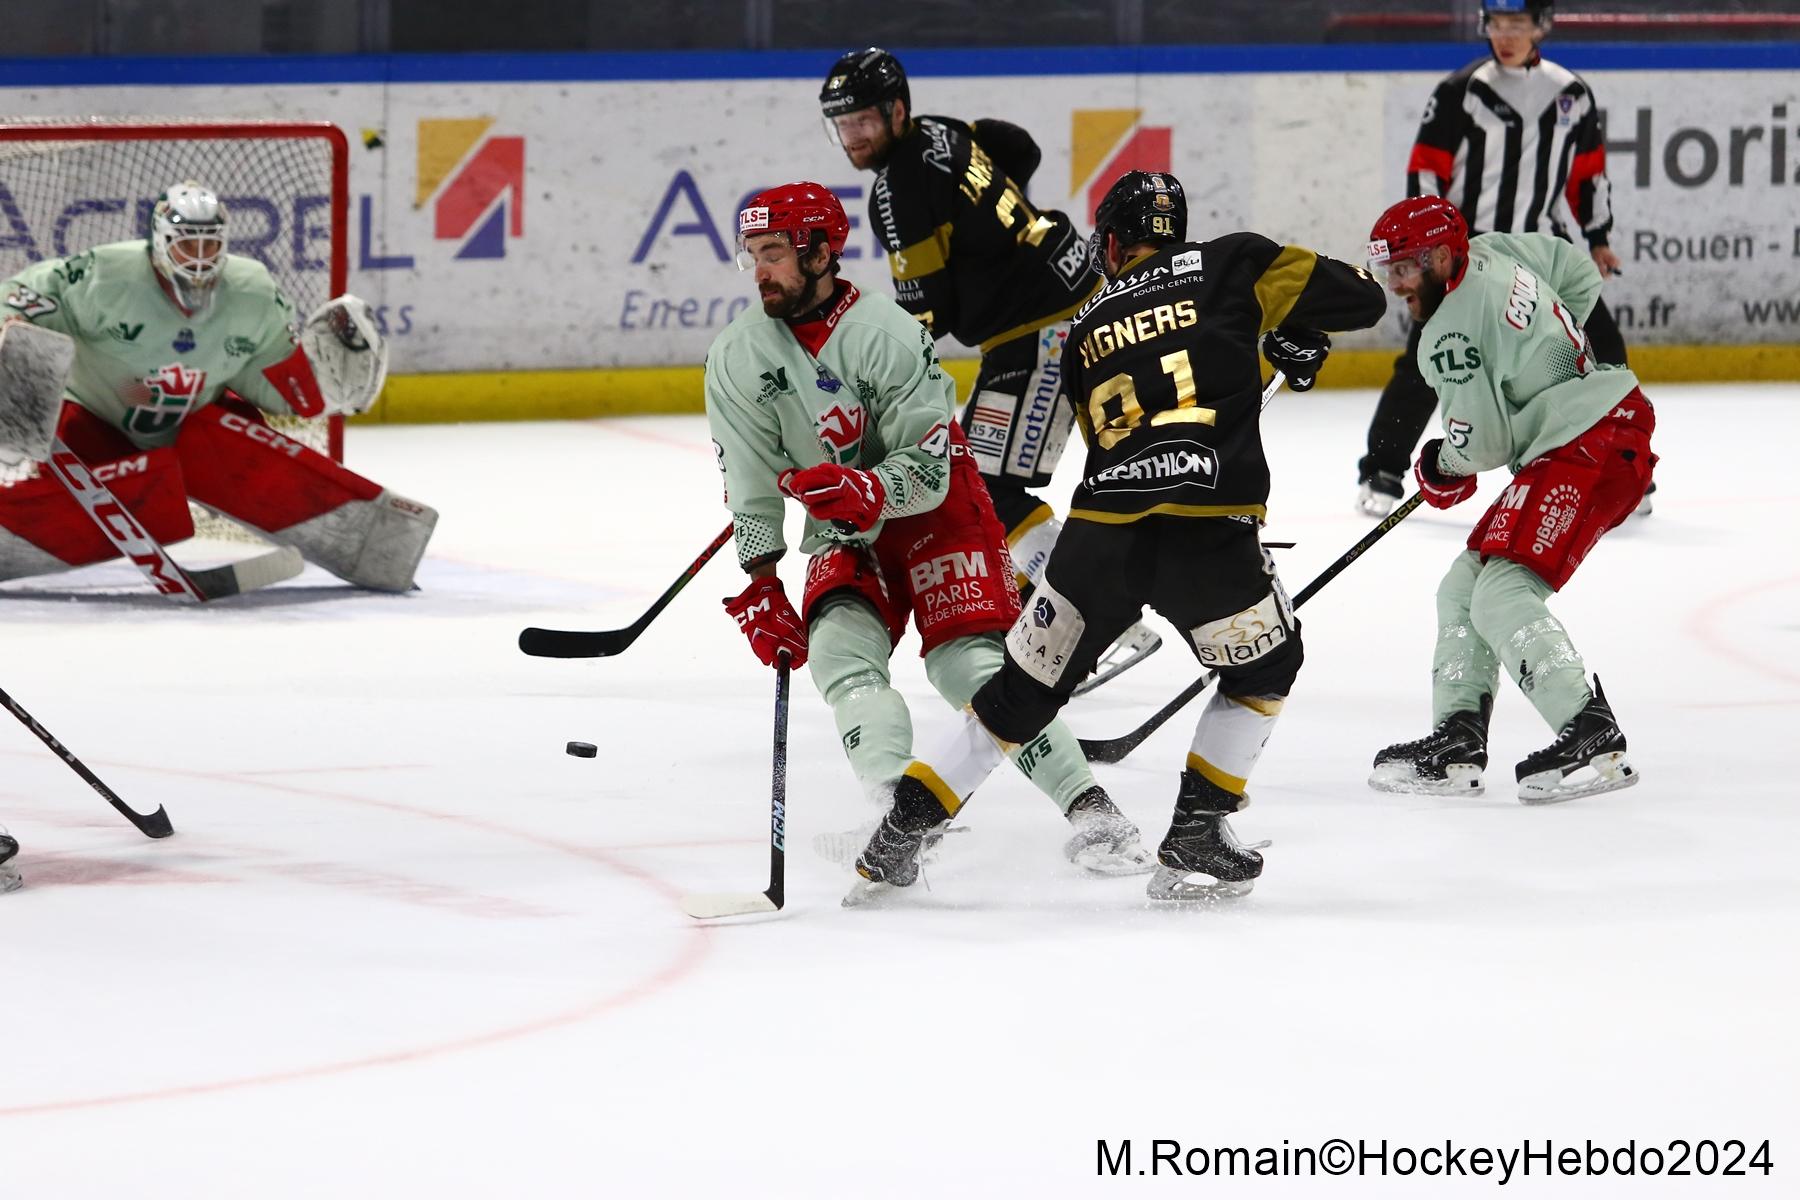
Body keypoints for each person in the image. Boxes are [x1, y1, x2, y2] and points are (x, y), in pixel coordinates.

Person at [849, 170, 1388, 904]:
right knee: (1267, 666)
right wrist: (1291, 331)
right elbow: (1361, 300)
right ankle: (1200, 824)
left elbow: (1162, 389)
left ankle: (897, 838)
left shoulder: (1087, 327)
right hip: (1206, 528)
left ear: (1111, 243)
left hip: (1099, 537)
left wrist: (1272, 343)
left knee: (1016, 698)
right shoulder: (1234, 261)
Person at [704, 181, 1151, 876]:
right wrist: (760, 580)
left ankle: (1095, 812)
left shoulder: (885, 333)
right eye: (751, 254)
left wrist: (867, 486)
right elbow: (751, 480)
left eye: (774, 252)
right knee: (840, 657)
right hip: (845, 527)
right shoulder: (737, 356)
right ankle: (897, 814)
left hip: (937, 515)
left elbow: (931, 470)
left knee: (971, 669)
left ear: (822, 252)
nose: (760, 270)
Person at [819, 47, 1162, 686]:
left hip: (1044, 332)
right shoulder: (941, 130)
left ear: (896, 111)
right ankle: (1094, 605)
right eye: (843, 125)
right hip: (1081, 294)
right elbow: (1019, 148)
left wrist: (878, 389)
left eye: (864, 120)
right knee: (1040, 474)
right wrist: (996, 239)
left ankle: (1099, 618)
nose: (854, 137)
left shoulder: (897, 191)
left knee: (982, 485)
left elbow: (927, 315)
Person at [0, 180, 435, 592]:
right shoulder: (105, 276)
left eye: (210, 245)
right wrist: (11, 325)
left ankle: (375, 543)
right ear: (161, 243)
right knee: (136, 497)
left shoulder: (252, 292)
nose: (200, 257)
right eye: (188, 244)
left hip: (193, 435)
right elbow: (18, 297)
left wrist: (323, 387)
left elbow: (276, 384)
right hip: (93, 427)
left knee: (236, 443)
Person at [1363, 195, 1653, 803]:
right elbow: (1575, 269)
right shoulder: (1495, 251)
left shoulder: (1446, 335)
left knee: (1502, 591)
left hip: (1588, 441)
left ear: (1442, 258)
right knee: (1464, 586)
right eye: (1389, 269)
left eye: (1406, 268)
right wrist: (1553, 358)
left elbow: (1482, 446)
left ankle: (1589, 730)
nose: (1395, 285)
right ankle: (1457, 741)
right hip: (1596, 427)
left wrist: (1440, 463)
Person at [1354, 0, 1643, 518]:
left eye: (1518, 24)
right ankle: (1383, 466)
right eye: (1497, 25)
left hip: (1543, 251)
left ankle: (1623, 461)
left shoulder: (1571, 93)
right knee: (1428, 359)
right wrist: (1423, 254)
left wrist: (1597, 236)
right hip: (1469, 255)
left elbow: (1589, 173)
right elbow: (1425, 172)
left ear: (1541, 27)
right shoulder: (1460, 92)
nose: (1505, 36)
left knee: (1603, 346)